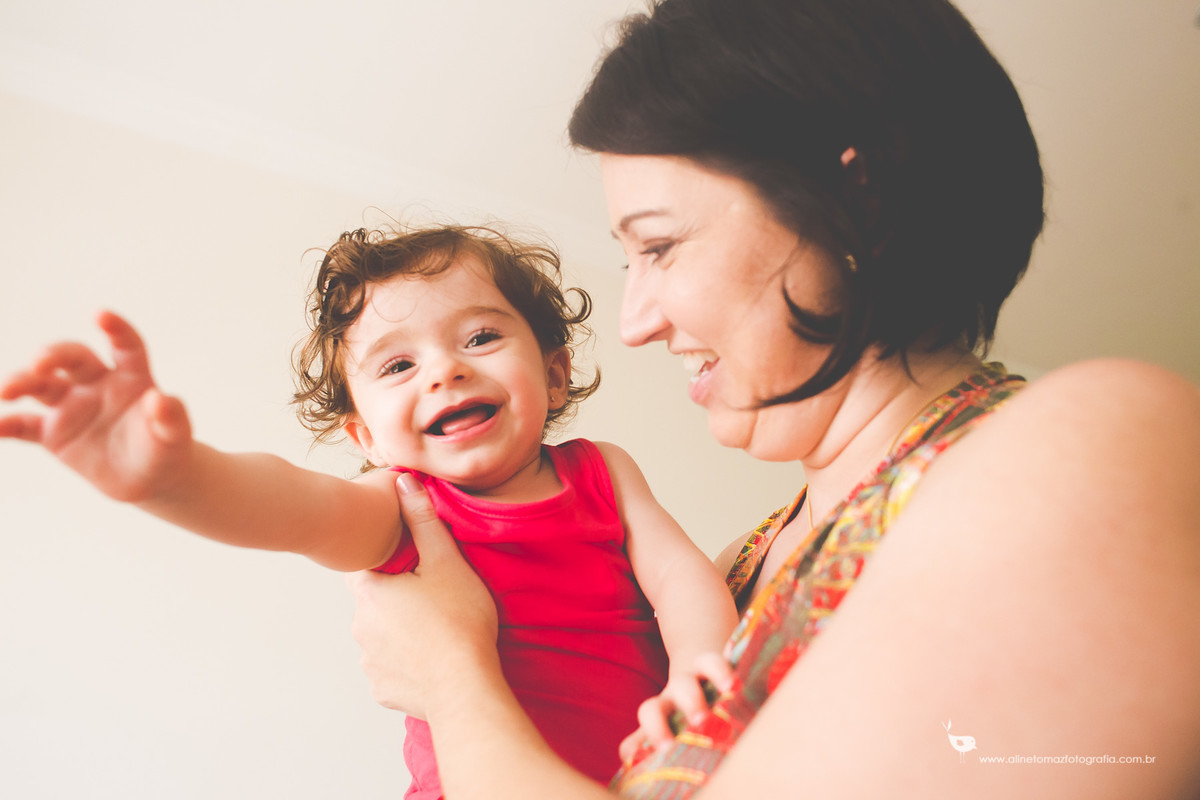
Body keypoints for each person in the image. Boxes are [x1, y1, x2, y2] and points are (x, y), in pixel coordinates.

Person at [344, 0, 1200, 798]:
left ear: (849, 200)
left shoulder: (1099, 442)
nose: (635, 320)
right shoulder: (733, 584)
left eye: (661, 245)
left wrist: (451, 679)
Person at [0, 224, 738, 798]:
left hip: (646, 771)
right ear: (366, 436)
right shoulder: (406, 508)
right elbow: (293, 507)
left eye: (480, 337)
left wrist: (698, 667)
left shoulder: (602, 470)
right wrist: (175, 476)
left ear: (553, 369)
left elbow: (679, 578)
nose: (446, 369)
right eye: (397, 365)